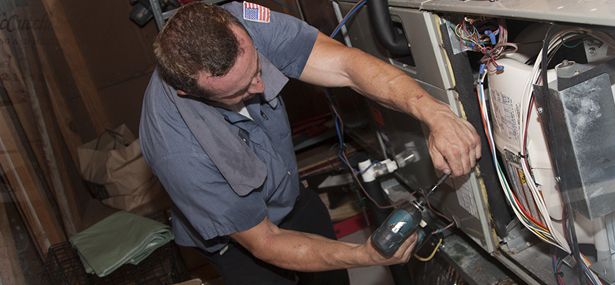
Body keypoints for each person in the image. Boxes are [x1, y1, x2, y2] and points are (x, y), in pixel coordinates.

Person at [138, 2, 480, 284]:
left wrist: (436, 114)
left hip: (289, 193)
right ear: (189, 92)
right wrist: (363, 255)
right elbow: (267, 241)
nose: (260, 87)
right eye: (239, 91)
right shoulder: (178, 151)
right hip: (243, 240)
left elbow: (346, 65)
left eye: (256, 68)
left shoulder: (245, 23)